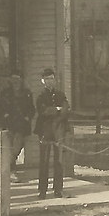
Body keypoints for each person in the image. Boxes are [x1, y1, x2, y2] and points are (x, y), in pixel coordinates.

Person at [33, 67, 70, 198]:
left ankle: (58, 189)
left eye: (52, 78)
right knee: (44, 161)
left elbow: (65, 110)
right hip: (45, 130)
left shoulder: (60, 95)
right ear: (43, 81)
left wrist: (57, 112)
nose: (50, 81)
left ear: (55, 80)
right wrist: (57, 109)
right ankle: (42, 190)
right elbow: (43, 111)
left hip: (59, 130)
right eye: (47, 79)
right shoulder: (40, 96)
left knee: (58, 161)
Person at [0, 71, 35, 182]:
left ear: (21, 81)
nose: (15, 82)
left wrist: (28, 117)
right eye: (13, 80)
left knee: (17, 148)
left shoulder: (26, 93)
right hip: (9, 124)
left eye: (18, 80)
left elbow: (31, 108)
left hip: (21, 125)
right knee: (9, 149)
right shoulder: (6, 93)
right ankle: (10, 171)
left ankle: (5, 169)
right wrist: (5, 115)